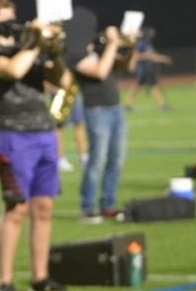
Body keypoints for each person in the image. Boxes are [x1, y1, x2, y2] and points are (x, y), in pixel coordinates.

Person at [0, 0, 68, 291]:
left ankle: (40, 278)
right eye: (4, 17)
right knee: (16, 209)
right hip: (13, 137)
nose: (12, 22)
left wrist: (54, 48)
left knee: (44, 209)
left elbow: (62, 80)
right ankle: (4, 282)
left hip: (44, 133)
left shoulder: (28, 50)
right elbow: (14, 71)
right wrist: (37, 42)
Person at [71, 22, 128, 224]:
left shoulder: (99, 50)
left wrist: (130, 43)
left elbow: (128, 65)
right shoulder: (75, 55)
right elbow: (100, 72)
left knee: (116, 160)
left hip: (116, 108)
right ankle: (87, 207)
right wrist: (113, 43)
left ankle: (108, 205)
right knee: (97, 160)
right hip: (97, 110)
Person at [123, 26, 172, 111]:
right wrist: (161, 58)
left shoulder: (145, 43)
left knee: (141, 86)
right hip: (143, 69)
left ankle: (128, 104)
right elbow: (138, 55)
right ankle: (162, 105)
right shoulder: (142, 43)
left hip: (146, 68)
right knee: (150, 86)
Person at [55, 94, 88, 172]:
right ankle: (60, 159)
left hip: (73, 92)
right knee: (58, 126)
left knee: (79, 122)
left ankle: (83, 157)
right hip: (59, 93)